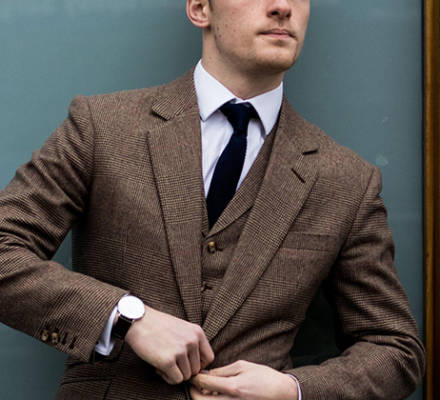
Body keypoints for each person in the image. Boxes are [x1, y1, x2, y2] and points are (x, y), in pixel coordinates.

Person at [0, 0, 425, 399]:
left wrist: (291, 390)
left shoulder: (346, 180)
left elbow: (395, 349)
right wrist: (126, 317)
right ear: (200, 8)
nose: (282, 6)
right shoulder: (103, 129)